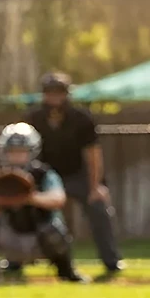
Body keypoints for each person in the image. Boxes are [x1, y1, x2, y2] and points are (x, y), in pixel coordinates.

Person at [27, 72, 124, 280]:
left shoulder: (81, 119)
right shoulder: (33, 119)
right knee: (24, 205)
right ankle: (17, 260)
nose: (54, 98)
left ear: (66, 95)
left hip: (77, 176)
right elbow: (27, 155)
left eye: (59, 93)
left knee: (99, 207)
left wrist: (95, 186)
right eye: (50, 93)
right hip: (46, 177)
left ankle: (111, 260)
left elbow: (93, 154)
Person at [0, 123, 88, 285]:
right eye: (12, 151)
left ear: (31, 151)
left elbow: (58, 199)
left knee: (53, 229)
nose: (16, 156)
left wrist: (28, 198)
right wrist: (2, 199)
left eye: (21, 151)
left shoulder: (43, 174)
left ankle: (67, 273)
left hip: (39, 238)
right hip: (9, 236)